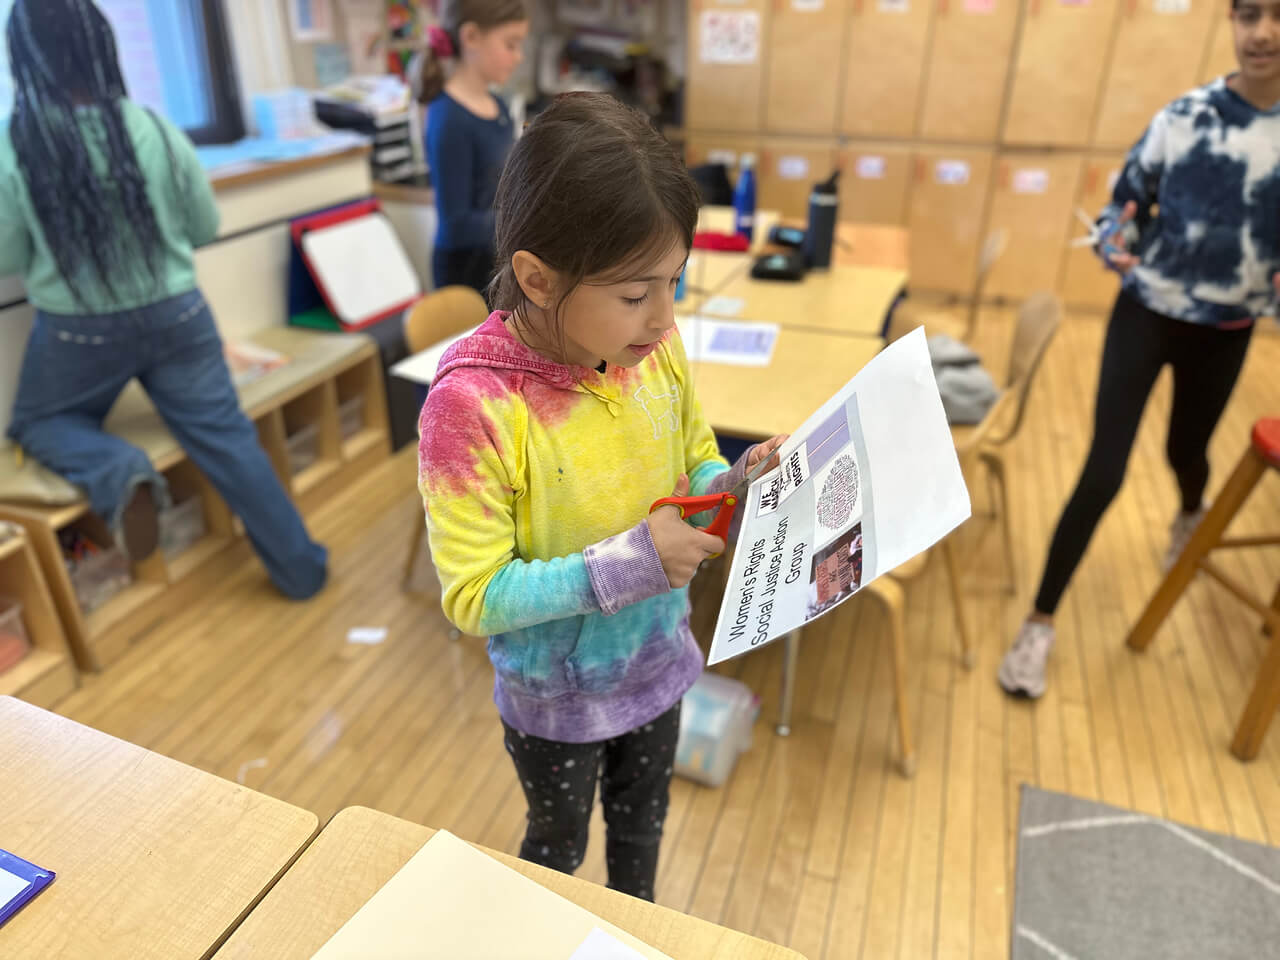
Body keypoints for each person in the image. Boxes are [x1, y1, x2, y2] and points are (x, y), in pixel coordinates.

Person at [417, 93, 786, 901]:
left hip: (660, 666)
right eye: (634, 293)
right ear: (537, 277)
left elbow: (689, 464)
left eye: (675, 281)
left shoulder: (651, 345)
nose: (663, 315)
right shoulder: (472, 407)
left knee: (640, 840)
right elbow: (474, 596)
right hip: (557, 703)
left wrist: (730, 483)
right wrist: (633, 561)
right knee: (555, 855)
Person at [998, 0, 1280, 699]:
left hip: (1229, 329)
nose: (1263, 32)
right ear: (1233, 24)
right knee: (1104, 470)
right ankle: (1039, 622)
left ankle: (1189, 513)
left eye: (1278, 15)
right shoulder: (1185, 117)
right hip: (1147, 313)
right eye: (1249, 14)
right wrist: (1113, 237)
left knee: (1187, 452)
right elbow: (1123, 206)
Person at [0, 0, 327, 599]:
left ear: (24, 56)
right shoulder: (149, 124)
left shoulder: (14, 144)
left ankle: (118, 472)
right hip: (179, 313)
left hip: (79, 332)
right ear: (102, 47)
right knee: (228, 439)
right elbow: (201, 226)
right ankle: (301, 570)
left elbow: (7, 256)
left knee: (39, 423)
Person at [416, 0, 528, 293]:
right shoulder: (448, 118)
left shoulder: (499, 106)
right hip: (466, 273)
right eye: (510, 44)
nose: (519, 57)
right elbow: (456, 225)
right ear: (471, 37)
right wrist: (524, 220)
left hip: (496, 261)